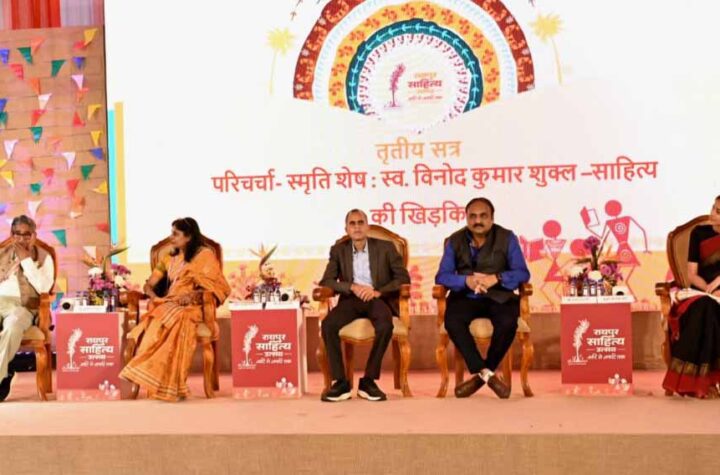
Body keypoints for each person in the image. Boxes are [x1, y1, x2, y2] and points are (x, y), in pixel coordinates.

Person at [120, 218, 230, 402]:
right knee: (162, 316)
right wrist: (153, 297)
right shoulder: (168, 259)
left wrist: (193, 296)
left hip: (195, 307)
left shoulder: (205, 256)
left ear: (188, 237)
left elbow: (217, 287)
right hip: (170, 303)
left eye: (175, 234)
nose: (171, 237)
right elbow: (149, 284)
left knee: (178, 317)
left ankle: (171, 383)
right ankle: (156, 379)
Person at [435, 197, 530, 399]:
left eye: (483, 216)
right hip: (465, 296)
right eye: (473, 216)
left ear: (492, 218)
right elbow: (442, 276)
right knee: (453, 321)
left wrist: (497, 278)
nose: (477, 221)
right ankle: (486, 373)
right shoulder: (455, 240)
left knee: (507, 322)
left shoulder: (507, 238)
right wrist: (466, 281)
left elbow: (522, 273)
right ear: (466, 218)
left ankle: (480, 376)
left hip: (498, 295)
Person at [319, 209, 410, 402]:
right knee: (328, 325)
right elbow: (327, 281)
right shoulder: (339, 250)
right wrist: (351, 286)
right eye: (352, 224)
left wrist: (378, 292)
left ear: (367, 226)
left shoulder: (386, 247)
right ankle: (340, 382)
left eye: (361, 222)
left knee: (385, 325)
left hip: (377, 298)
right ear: (346, 229)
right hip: (351, 299)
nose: (357, 227)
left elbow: (403, 278)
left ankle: (368, 381)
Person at [662, 195, 720, 398]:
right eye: (713, 208)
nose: (712, 214)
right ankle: (704, 382)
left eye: (718, 212)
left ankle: (701, 382)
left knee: (708, 309)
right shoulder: (699, 233)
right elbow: (692, 275)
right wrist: (709, 289)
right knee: (705, 307)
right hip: (700, 293)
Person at [0, 215, 54, 402]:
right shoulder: (2, 253)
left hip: (23, 306)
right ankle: (5, 370)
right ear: (11, 234)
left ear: (34, 235)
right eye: (18, 234)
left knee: (13, 325)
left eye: (26, 234)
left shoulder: (44, 257)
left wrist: (26, 261)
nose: (22, 239)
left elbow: (44, 288)